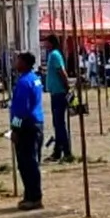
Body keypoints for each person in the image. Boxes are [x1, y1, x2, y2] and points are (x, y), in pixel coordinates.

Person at [10, 51, 44, 211]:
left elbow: (21, 109)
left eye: (18, 60)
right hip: (37, 123)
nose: (16, 63)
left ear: (24, 63)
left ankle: (34, 197)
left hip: (26, 125)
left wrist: (15, 129)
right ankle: (30, 194)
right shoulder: (35, 79)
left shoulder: (24, 83)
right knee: (32, 161)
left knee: (26, 163)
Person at [44, 34, 72, 163]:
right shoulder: (51, 55)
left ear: (51, 43)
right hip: (55, 93)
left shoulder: (55, 55)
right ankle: (58, 152)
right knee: (57, 124)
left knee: (59, 124)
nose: (44, 44)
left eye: (46, 42)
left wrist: (67, 88)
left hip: (59, 93)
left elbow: (62, 72)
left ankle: (66, 152)